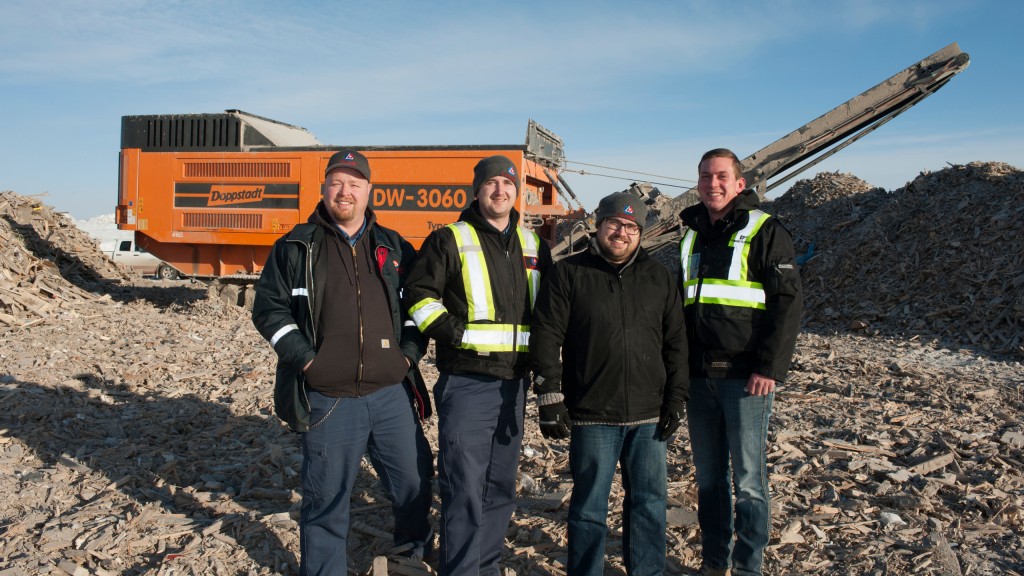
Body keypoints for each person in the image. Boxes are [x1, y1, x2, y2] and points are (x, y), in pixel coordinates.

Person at [251, 150, 434, 575]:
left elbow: (419, 306)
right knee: (326, 499)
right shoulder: (296, 245)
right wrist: (307, 362)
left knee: (414, 483)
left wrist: (407, 357)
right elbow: (269, 311)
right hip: (329, 397)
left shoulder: (394, 246)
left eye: (354, 183)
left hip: (390, 393)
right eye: (337, 182)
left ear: (369, 191)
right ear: (324, 188)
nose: (345, 191)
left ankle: (411, 557)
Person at [403, 155, 552, 576]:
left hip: (514, 385)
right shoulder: (451, 238)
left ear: (516, 192)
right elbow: (418, 297)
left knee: (499, 485)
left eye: (508, 183)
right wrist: (459, 334)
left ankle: (485, 567)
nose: (500, 190)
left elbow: (549, 313)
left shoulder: (532, 245)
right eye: (491, 183)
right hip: (467, 383)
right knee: (465, 487)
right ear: (477, 190)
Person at [529, 190, 689, 576]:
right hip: (591, 413)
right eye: (615, 223)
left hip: (648, 416)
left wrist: (676, 398)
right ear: (598, 225)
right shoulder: (569, 273)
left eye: (631, 227)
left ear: (641, 233)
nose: (622, 232)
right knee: (588, 508)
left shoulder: (658, 277)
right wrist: (549, 394)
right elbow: (546, 335)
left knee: (649, 503)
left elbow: (676, 341)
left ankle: (646, 570)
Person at [678, 148, 802, 576]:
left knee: (749, 483)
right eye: (705, 177)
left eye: (721, 177)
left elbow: (787, 303)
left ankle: (748, 567)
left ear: (739, 184)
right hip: (698, 378)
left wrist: (769, 367)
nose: (713, 184)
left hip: (745, 379)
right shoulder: (691, 234)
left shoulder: (764, 230)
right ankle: (715, 562)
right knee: (710, 481)